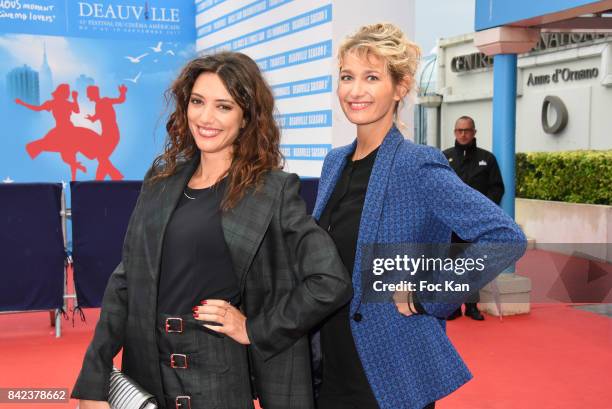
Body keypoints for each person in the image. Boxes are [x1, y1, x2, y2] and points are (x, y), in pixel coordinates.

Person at [71, 52, 352, 409]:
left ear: (247, 116)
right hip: (148, 374)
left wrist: (254, 328)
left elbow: (330, 281)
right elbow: (125, 281)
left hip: (217, 379)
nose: (206, 117)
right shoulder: (161, 181)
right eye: (198, 102)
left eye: (224, 106)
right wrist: (94, 379)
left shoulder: (271, 191)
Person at [312, 23, 526, 409]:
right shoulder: (333, 163)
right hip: (326, 363)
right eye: (347, 77)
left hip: (387, 371)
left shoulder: (418, 165)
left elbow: (504, 236)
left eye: (371, 77)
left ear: (400, 87)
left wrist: (430, 294)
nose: (355, 90)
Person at [443, 116, 505, 320]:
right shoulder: (445, 158)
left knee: (473, 265)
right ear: (454, 132)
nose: (463, 134)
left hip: (477, 225)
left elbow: (497, 188)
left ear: (474, 132)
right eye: (459, 130)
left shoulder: (487, 159)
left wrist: (483, 214)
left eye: (467, 130)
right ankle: (452, 307)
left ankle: (471, 306)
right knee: (452, 266)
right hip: (451, 224)